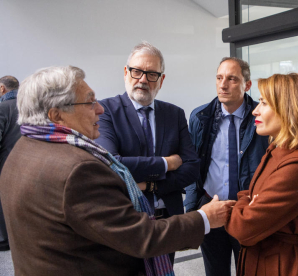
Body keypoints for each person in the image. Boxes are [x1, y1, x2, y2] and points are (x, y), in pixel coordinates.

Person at [0, 65, 235, 276]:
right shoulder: (78, 170)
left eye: (152, 74)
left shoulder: (23, 149)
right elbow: (142, 237)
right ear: (56, 115)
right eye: (89, 102)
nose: (100, 109)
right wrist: (205, 217)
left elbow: (190, 167)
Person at [96, 45, 199, 260]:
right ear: (126, 73)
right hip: (125, 219)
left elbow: (192, 167)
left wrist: (152, 185)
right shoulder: (105, 112)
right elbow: (113, 165)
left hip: (167, 218)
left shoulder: (174, 114)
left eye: (152, 74)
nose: (143, 80)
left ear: (161, 80)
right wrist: (167, 164)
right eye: (137, 71)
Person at [226, 73, 298, 276]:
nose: (255, 111)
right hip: (267, 259)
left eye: (264, 103)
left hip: (284, 265)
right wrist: (248, 201)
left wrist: (245, 203)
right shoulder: (278, 149)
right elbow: (250, 194)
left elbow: (243, 229)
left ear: (289, 109)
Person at [185, 57, 269, 276]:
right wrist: (194, 207)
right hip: (212, 207)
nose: (223, 85)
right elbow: (194, 166)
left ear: (247, 85)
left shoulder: (261, 117)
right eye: (219, 78)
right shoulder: (200, 117)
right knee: (215, 271)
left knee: (251, 270)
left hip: (248, 211)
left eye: (231, 79)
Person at [0, 75, 21, 251]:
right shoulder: (29, 107)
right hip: (28, 163)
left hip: (4, 164)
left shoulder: (2, 107)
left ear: (2, 88)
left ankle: (4, 240)